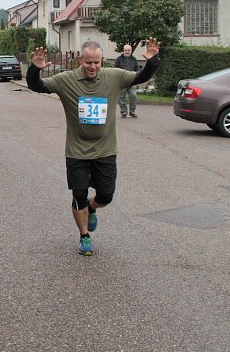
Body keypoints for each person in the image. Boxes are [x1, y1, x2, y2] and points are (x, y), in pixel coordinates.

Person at [26, 37, 160, 256]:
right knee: (79, 195)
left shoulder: (113, 76)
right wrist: (34, 69)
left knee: (106, 195)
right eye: (88, 62)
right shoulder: (66, 80)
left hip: (105, 149)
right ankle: (84, 236)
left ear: (101, 61)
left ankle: (91, 208)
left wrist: (153, 60)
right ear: (80, 60)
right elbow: (36, 86)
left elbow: (140, 77)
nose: (93, 66)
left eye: (97, 62)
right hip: (77, 151)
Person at [114, 44, 140, 118]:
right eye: (126, 50)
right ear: (123, 51)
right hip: (122, 82)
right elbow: (115, 70)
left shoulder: (134, 59)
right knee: (121, 97)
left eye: (129, 50)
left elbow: (137, 70)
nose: (127, 51)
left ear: (131, 51)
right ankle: (124, 112)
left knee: (133, 96)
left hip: (132, 81)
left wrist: (137, 79)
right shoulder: (118, 59)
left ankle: (132, 112)